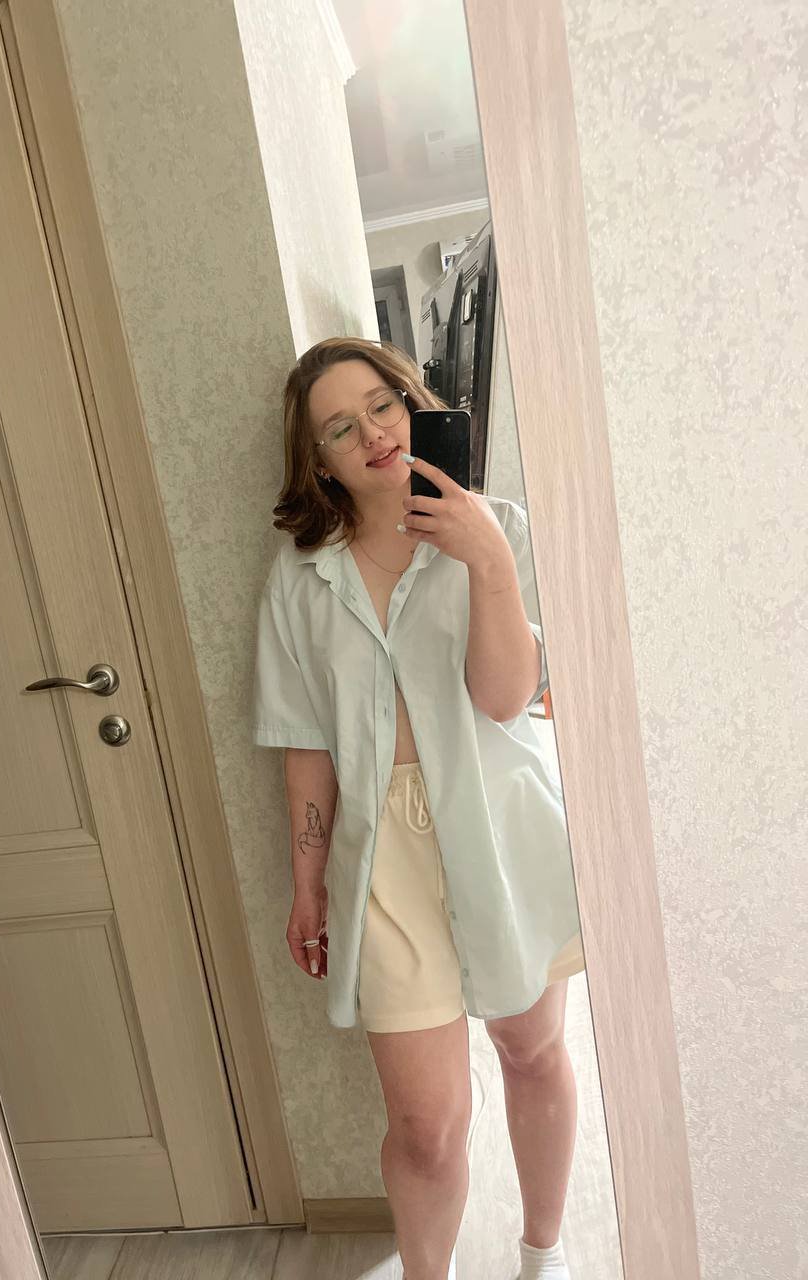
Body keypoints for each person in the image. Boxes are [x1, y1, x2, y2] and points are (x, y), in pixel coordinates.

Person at [252, 337, 585, 1280]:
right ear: (319, 460)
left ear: (412, 402)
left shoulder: (500, 528)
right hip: (382, 859)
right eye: (339, 427)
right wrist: (308, 884)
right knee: (427, 1124)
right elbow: (306, 744)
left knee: (531, 1051)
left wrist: (486, 560)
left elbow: (505, 698)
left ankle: (543, 1254)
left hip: (502, 824)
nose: (372, 433)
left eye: (382, 405)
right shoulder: (301, 578)